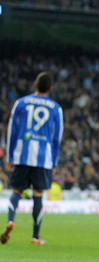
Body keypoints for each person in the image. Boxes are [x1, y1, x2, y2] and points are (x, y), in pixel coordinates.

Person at [1, 72, 64, 245]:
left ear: (35, 84)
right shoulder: (55, 108)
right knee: (38, 194)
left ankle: (10, 221)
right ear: (51, 88)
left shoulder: (21, 103)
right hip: (43, 157)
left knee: (16, 191)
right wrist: (54, 161)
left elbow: (11, 130)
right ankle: (35, 237)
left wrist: (10, 155)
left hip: (22, 154)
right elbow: (57, 137)